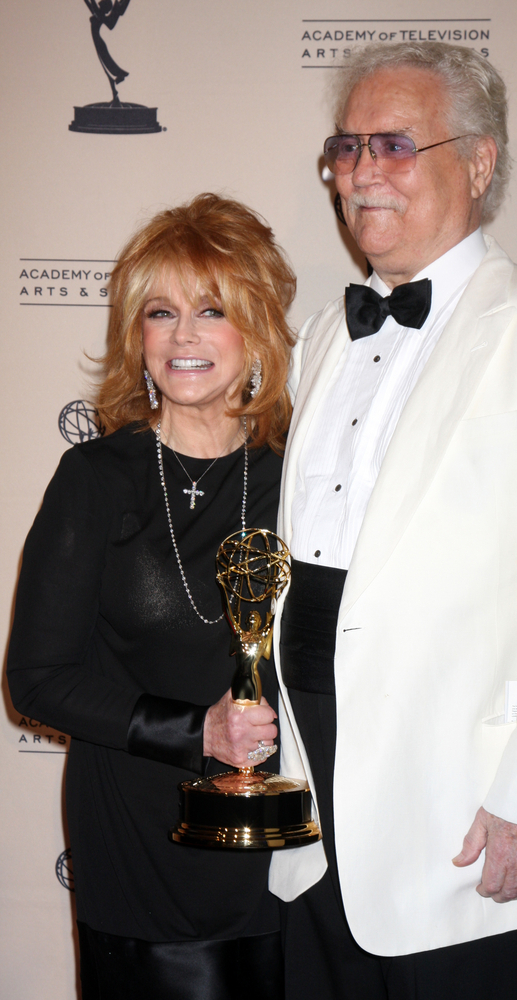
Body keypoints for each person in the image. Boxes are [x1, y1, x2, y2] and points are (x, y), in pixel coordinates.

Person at [269, 41, 517, 1000]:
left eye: (395, 144)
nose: (362, 171)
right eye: (347, 146)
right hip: (309, 793)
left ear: (478, 164)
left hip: (466, 813)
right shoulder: (322, 336)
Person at [7, 193, 296, 1000]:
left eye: (212, 310)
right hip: (143, 841)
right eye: (160, 312)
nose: (182, 336)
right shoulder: (97, 479)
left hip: (291, 852)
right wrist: (194, 730)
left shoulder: (304, 475)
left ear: (258, 330)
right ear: (136, 336)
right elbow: (37, 679)